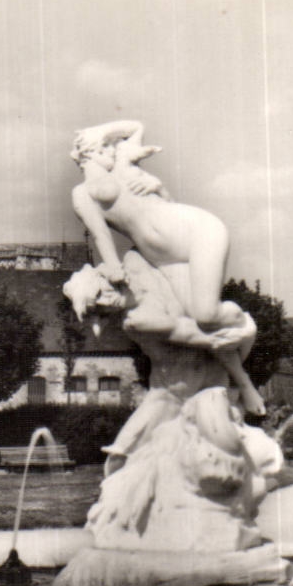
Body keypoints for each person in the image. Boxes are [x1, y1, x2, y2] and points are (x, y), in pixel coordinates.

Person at [69, 120, 264, 416]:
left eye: (112, 144)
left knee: (207, 314)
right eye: (107, 146)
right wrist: (111, 265)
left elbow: (135, 126)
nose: (114, 149)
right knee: (200, 321)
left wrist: (157, 186)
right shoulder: (83, 192)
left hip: (198, 232)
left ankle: (243, 324)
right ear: (91, 153)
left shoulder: (122, 165)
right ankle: (240, 386)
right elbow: (100, 234)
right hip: (162, 258)